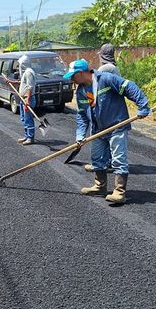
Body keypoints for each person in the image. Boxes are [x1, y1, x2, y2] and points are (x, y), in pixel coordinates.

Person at [63, 58, 150, 204]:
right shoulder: (81, 91)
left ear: (81, 73)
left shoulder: (106, 79)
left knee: (118, 159)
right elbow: (82, 115)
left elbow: (129, 87)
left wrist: (143, 106)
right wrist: (80, 136)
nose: (71, 79)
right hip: (98, 130)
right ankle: (100, 187)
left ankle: (119, 192)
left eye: (73, 76)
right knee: (97, 158)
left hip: (116, 126)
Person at [84, 43, 120, 172]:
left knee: (103, 136)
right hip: (111, 106)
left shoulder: (106, 68)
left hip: (107, 107)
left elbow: (95, 85)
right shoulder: (113, 67)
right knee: (108, 136)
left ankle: (104, 163)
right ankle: (106, 162)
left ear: (103, 55)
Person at [17, 54, 37, 146]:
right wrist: (12, 82)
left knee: (28, 119)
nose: (19, 66)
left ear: (24, 63)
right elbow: (23, 83)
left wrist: (27, 101)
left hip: (27, 99)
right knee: (24, 119)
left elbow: (30, 87)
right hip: (23, 99)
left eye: (20, 64)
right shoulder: (25, 72)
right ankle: (26, 136)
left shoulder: (29, 72)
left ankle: (30, 138)